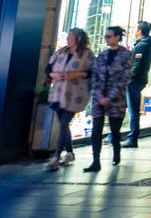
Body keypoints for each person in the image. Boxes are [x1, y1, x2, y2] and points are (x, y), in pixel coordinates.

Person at [85, 25, 133, 172]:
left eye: (109, 36)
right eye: (106, 36)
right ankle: (95, 160)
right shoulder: (102, 55)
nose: (106, 38)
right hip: (99, 98)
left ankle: (116, 152)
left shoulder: (126, 55)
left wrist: (110, 96)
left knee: (115, 129)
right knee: (96, 128)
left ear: (117, 37)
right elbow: (95, 75)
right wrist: (99, 95)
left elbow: (125, 77)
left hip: (116, 99)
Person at [46, 28, 92, 171]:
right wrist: (54, 75)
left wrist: (77, 73)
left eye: (71, 36)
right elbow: (48, 68)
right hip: (58, 93)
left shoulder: (87, 54)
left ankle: (56, 156)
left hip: (75, 95)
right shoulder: (61, 52)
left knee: (64, 124)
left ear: (78, 38)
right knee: (63, 124)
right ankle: (70, 153)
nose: (68, 38)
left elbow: (92, 71)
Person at [122, 21, 151, 148]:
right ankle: (122, 135)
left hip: (134, 81)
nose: (134, 31)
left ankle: (132, 137)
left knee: (133, 110)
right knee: (130, 109)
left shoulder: (142, 45)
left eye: (136, 29)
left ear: (140, 31)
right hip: (138, 79)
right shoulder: (146, 44)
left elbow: (137, 66)